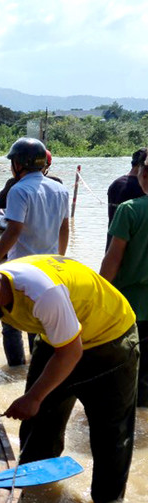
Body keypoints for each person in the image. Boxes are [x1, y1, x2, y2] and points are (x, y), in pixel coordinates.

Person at [0, 258, 138, 503]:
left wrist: (33, 397)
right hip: (59, 340)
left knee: (110, 434)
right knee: (38, 427)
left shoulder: (42, 293)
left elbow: (70, 353)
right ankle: (34, 499)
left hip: (110, 339)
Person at [0, 138, 70, 368]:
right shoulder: (60, 189)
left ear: (19, 164)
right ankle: (36, 368)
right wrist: (60, 258)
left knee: (10, 323)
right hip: (50, 268)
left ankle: (15, 368)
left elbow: (12, 232)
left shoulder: (19, 190)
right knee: (39, 325)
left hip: (20, 270)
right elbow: (64, 228)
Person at [100, 155, 148, 407]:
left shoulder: (129, 209)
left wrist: (97, 295)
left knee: (128, 370)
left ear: (143, 173)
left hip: (130, 305)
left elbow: (113, 259)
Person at [106, 148, 147, 249]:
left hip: (112, 244)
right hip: (133, 249)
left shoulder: (115, 184)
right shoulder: (141, 187)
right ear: (141, 167)